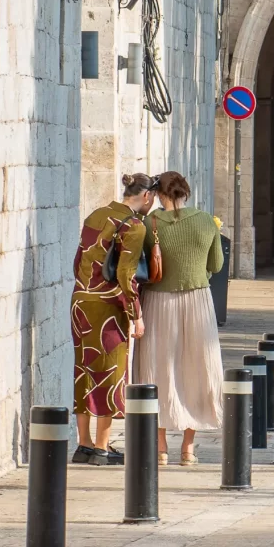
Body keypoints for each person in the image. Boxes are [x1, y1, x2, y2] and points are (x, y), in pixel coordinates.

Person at [133, 171, 227, 465]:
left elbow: (141, 266)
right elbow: (216, 264)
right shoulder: (206, 221)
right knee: (197, 368)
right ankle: (188, 448)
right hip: (198, 301)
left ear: (159, 195)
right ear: (186, 191)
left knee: (157, 368)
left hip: (158, 302)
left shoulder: (150, 224)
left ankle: (160, 448)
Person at [70, 173, 155, 464]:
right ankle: (102, 448)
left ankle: (83, 444)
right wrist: (137, 315)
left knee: (83, 369)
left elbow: (79, 259)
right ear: (145, 196)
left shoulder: (96, 214)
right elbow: (126, 275)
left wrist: (86, 287)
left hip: (80, 301)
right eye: (152, 197)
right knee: (111, 371)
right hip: (107, 306)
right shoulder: (133, 225)